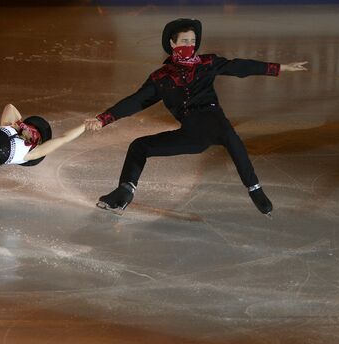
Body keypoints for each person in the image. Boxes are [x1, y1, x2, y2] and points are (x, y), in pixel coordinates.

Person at [86, 18, 308, 216]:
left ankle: (255, 191)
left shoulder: (206, 63)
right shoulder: (161, 77)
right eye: (184, 41)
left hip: (212, 120)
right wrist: (103, 119)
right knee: (139, 146)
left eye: (192, 41)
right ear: (172, 44)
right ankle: (123, 193)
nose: (189, 46)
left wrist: (280, 68)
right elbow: (135, 101)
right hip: (192, 134)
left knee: (231, 139)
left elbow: (239, 66)